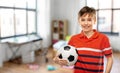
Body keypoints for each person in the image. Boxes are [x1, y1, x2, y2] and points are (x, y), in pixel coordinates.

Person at [53, 6, 113, 73]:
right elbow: (68, 62)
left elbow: (110, 59)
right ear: (79, 21)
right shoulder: (73, 39)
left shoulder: (103, 38)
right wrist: (57, 61)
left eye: (89, 20)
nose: (86, 23)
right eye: (83, 20)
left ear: (95, 21)